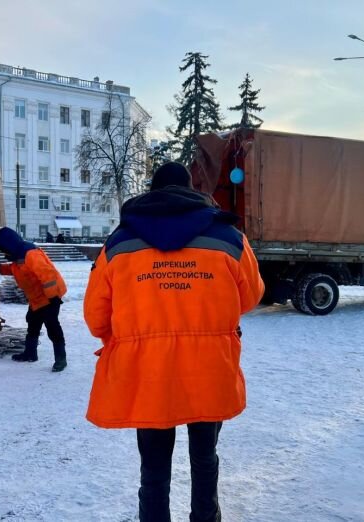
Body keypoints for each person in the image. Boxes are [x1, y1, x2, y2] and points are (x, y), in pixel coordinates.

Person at [84, 162, 264, 521]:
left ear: (152, 190)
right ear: (191, 190)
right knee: (205, 458)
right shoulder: (229, 238)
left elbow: (95, 317)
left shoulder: (118, 243)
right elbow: (250, 296)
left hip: (147, 369)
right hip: (210, 367)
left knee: (153, 468)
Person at [0, 227, 68, 371]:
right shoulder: (18, 257)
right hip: (37, 298)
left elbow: (47, 274)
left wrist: (53, 297)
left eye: (4, 250)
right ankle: (30, 353)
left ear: (9, 245)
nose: (4, 253)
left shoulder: (30, 254)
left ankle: (61, 359)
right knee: (33, 323)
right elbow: (14, 269)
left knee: (52, 327)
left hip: (49, 297)